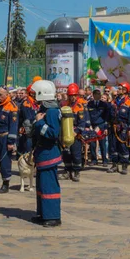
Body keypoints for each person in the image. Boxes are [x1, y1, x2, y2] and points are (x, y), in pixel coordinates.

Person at [30, 80, 62, 227]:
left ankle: (53, 216)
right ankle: (43, 213)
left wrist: (39, 123)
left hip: (49, 153)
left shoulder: (53, 111)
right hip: (42, 153)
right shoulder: (45, 108)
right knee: (42, 186)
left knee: (49, 186)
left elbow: (53, 133)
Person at [60, 83, 90, 182]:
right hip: (66, 133)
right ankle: (67, 171)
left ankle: (76, 172)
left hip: (75, 134)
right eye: (70, 95)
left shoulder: (80, 106)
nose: (72, 97)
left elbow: (82, 122)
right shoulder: (65, 105)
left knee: (76, 153)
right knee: (66, 153)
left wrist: (76, 131)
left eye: (74, 95)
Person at [107, 82, 130, 175]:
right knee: (113, 146)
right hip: (113, 127)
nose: (117, 90)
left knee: (123, 147)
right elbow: (109, 114)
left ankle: (124, 165)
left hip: (123, 128)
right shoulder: (113, 101)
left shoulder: (129, 102)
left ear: (125, 90)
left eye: (119, 88)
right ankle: (114, 164)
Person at [87, 89, 112, 167]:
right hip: (92, 126)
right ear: (93, 95)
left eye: (99, 95)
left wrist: (104, 127)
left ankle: (104, 160)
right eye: (96, 94)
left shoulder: (104, 105)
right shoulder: (89, 104)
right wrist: (89, 125)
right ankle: (94, 160)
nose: (98, 96)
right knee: (92, 144)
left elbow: (106, 117)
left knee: (102, 144)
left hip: (101, 126)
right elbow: (87, 115)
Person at [18, 84, 39, 155]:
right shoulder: (26, 103)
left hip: (33, 125)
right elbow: (27, 118)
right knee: (28, 139)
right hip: (28, 126)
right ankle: (27, 154)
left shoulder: (33, 102)